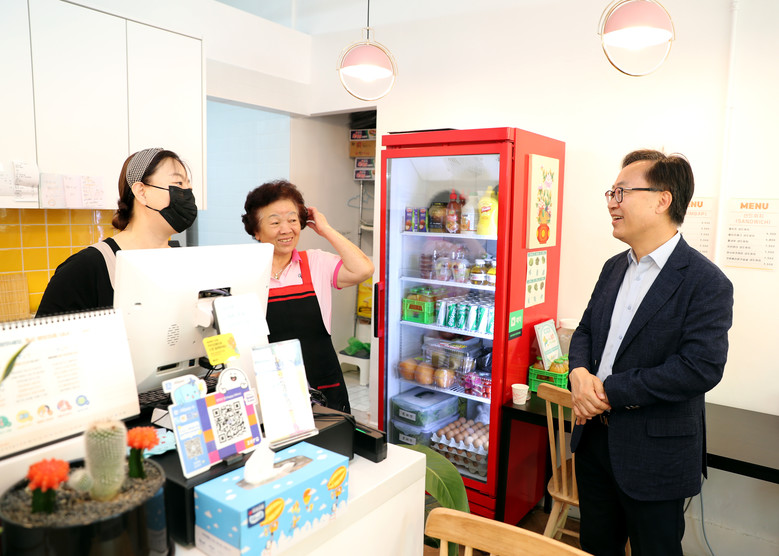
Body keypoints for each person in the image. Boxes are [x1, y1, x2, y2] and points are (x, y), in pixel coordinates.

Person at [568, 150, 734, 555]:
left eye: (621, 192)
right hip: (594, 442)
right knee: (595, 546)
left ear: (662, 200)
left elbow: (699, 368)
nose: (612, 203)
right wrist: (577, 373)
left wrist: (606, 391)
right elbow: (586, 330)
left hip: (656, 454)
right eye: (611, 193)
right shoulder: (613, 267)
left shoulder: (706, 282)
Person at [241, 180, 374, 413]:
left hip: (325, 387)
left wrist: (326, 230)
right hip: (272, 391)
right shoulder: (245, 274)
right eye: (275, 222)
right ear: (256, 231)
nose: (286, 229)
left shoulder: (315, 262)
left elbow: (364, 269)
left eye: (293, 220)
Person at [36, 148, 197, 317]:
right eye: (179, 184)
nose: (188, 194)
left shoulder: (186, 264)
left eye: (189, 186)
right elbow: (45, 333)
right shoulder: (85, 268)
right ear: (141, 192)